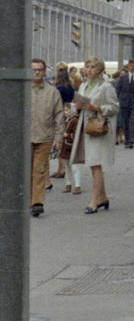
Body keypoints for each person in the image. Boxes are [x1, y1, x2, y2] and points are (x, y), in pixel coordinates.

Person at [71, 56, 119, 212]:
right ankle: (103, 197)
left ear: (99, 70)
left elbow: (114, 107)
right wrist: (77, 105)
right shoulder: (84, 85)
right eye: (87, 66)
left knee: (95, 164)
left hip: (98, 129)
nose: (89, 70)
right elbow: (78, 105)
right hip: (86, 128)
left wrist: (97, 108)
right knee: (93, 164)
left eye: (92, 67)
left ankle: (94, 201)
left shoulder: (105, 87)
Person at [30, 59, 65, 217]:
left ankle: (37, 202)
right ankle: (28, 200)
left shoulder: (52, 92)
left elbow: (59, 115)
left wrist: (58, 136)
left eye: (40, 70)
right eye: (34, 70)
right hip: (25, 138)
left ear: (45, 72)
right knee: (26, 171)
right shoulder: (22, 90)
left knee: (39, 170)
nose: (37, 72)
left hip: (45, 137)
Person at [113, 59, 134, 150]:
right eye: (130, 66)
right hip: (124, 102)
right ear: (128, 66)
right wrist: (116, 100)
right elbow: (118, 89)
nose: (132, 67)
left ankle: (131, 140)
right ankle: (127, 140)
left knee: (133, 121)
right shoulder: (123, 77)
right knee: (126, 122)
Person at [52, 64, 75, 180]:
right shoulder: (70, 87)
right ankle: (62, 168)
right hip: (68, 113)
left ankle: (61, 169)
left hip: (58, 114)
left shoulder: (57, 89)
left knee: (58, 143)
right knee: (63, 142)